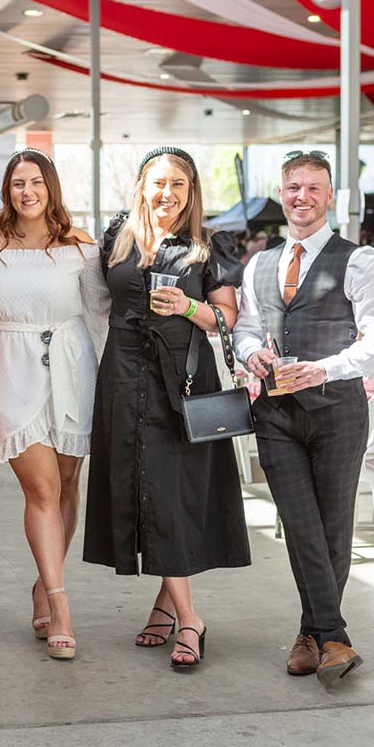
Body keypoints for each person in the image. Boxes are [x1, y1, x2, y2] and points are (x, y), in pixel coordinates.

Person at [234, 151, 374, 687]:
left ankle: (312, 635)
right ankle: (334, 637)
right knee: (300, 526)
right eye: (292, 187)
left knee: (332, 529)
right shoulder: (259, 264)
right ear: (281, 194)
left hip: (338, 412)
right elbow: (247, 330)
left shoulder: (361, 260)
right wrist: (250, 352)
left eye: (312, 188)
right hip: (275, 412)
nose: (301, 196)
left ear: (329, 196)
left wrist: (324, 369)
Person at [84, 146, 251, 671]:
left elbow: (227, 317)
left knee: (168, 490)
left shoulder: (209, 244)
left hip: (181, 380)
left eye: (179, 184)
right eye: (159, 182)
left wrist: (187, 305)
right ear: (141, 186)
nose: (168, 193)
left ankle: (190, 619)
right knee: (142, 488)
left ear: (191, 191)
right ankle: (164, 604)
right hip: (122, 374)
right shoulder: (117, 236)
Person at [0, 148, 107, 661]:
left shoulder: (79, 245)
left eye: (35, 182)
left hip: (73, 367)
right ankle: (59, 601)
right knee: (42, 488)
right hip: (13, 367)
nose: (26, 192)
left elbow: (102, 309)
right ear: (6, 191)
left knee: (69, 483)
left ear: (51, 187)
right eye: (17, 184)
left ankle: (43, 582)